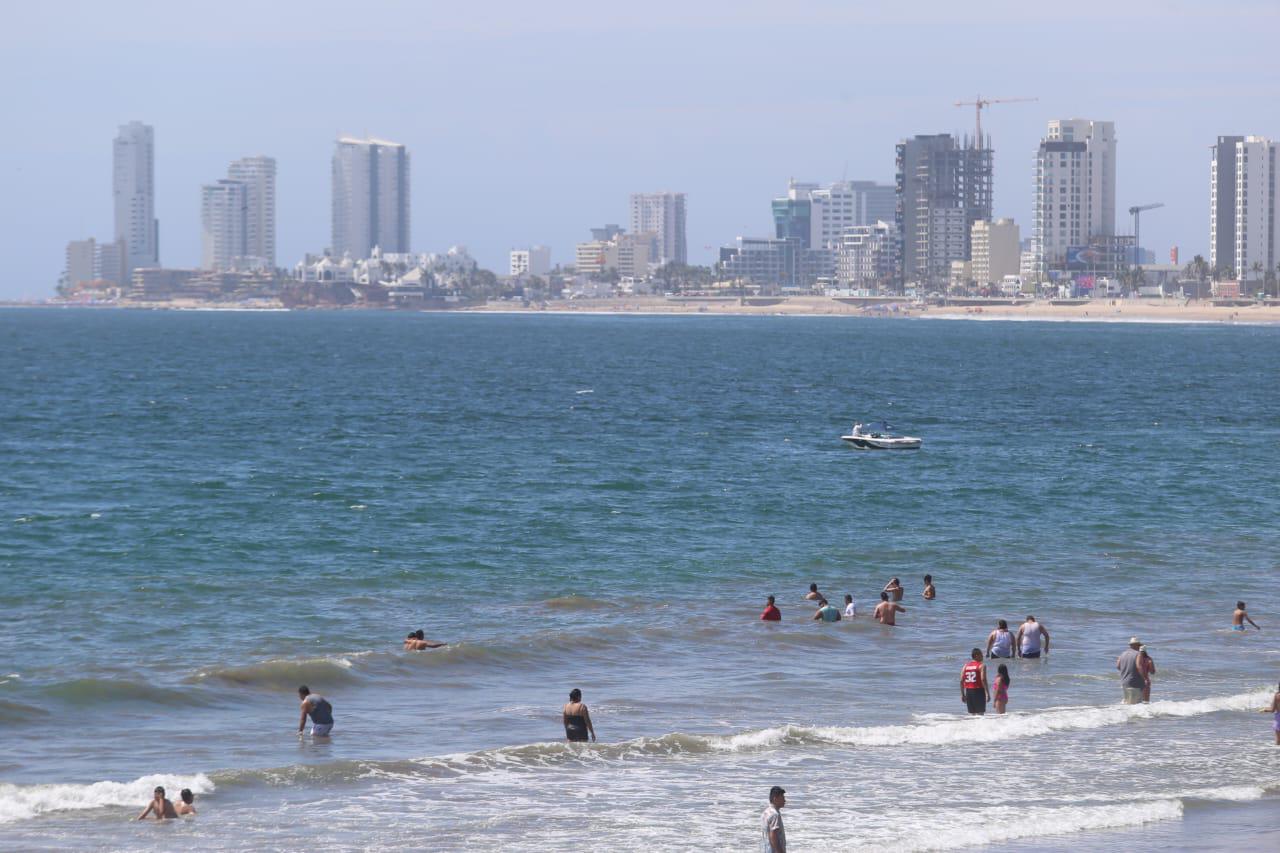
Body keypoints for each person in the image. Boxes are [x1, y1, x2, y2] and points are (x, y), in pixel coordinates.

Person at [1117, 638, 1146, 704]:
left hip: (1124, 682)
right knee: (1136, 705)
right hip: (1135, 683)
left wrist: (1127, 669)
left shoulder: (1122, 654)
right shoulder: (1138, 654)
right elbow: (1139, 666)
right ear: (1136, 645)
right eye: (1139, 645)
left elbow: (1118, 666)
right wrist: (1144, 678)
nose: (1139, 647)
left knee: (1127, 703)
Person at [960, 648, 989, 715]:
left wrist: (962, 694)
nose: (983, 656)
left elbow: (961, 680)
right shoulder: (982, 665)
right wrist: (987, 693)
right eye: (981, 654)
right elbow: (983, 679)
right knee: (980, 715)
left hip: (968, 692)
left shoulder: (965, 666)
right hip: (978, 691)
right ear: (976, 655)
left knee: (972, 715)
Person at [761, 786, 786, 853]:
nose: (785, 800)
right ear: (775, 798)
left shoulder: (766, 812)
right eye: (782, 798)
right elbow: (773, 835)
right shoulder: (775, 815)